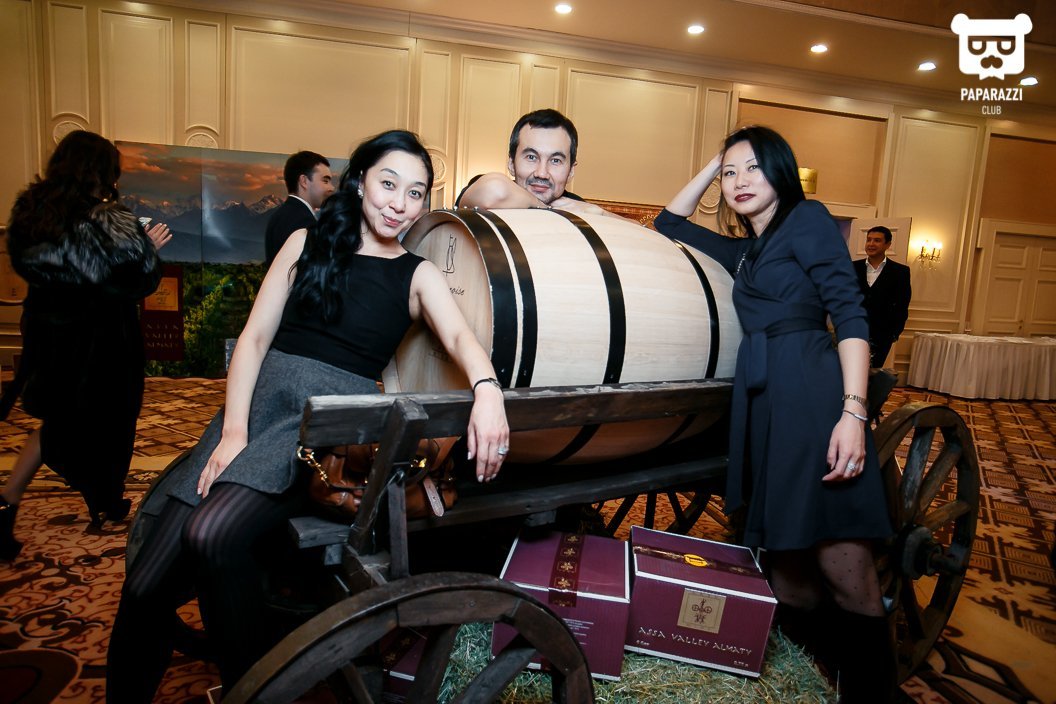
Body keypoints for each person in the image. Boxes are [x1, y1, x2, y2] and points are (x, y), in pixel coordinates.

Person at [106, 129, 509, 700]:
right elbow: (253, 340)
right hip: (253, 411)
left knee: (211, 534)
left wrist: (488, 392)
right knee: (144, 586)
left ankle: (250, 690)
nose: (399, 203)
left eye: (415, 193)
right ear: (360, 181)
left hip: (321, 428)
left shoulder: (417, 273)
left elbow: (463, 339)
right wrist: (234, 433)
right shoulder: (305, 240)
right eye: (388, 184)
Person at [653, 125, 895, 702]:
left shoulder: (807, 219)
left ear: (782, 172)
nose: (739, 181)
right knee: (788, 575)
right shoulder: (746, 251)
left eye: (754, 167)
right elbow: (668, 223)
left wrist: (853, 412)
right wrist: (716, 161)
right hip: (764, 404)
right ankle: (813, 687)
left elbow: (850, 315)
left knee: (844, 569)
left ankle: (875, 694)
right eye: (730, 173)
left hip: (813, 396)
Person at [0, 131, 169, 561]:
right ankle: (100, 496)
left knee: (60, 421)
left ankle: (18, 501)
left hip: (48, 331)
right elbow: (135, 282)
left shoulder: (33, 210)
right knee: (107, 422)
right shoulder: (108, 219)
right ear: (99, 171)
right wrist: (147, 250)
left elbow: (46, 271)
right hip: (101, 339)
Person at [456, 108, 617, 218]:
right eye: (531, 157)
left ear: (571, 171)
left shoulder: (574, 204)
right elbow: (494, 189)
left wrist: (601, 214)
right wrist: (548, 209)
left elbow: (633, 227)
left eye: (555, 160)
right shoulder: (481, 190)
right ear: (511, 163)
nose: (541, 173)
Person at [263, 150, 334, 267]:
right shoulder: (303, 222)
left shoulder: (280, 215)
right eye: (325, 181)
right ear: (304, 181)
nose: (331, 188)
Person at [853, 226, 911, 368]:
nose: (871, 244)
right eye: (869, 240)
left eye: (877, 240)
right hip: (852, 331)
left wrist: (894, 333)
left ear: (888, 244)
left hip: (882, 335)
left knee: (872, 373)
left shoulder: (900, 272)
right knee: (849, 371)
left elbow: (902, 304)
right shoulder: (851, 268)